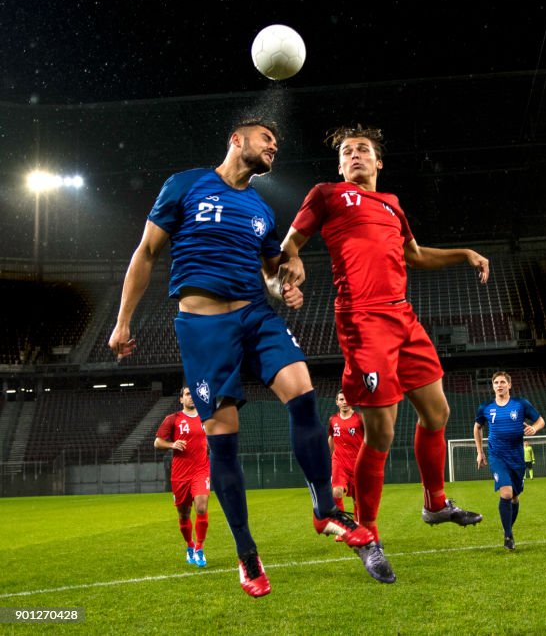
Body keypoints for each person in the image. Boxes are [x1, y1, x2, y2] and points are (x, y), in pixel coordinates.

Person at [108, 120, 373, 597]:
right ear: (236, 139)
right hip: (204, 328)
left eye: (277, 143)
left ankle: (324, 509)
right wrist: (123, 320)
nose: (274, 146)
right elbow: (147, 251)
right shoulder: (186, 184)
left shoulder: (261, 209)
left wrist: (286, 286)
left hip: (256, 315)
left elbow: (273, 275)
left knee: (304, 393)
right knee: (223, 440)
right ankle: (247, 555)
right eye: (266, 139)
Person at [279, 124, 489, 583]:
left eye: (364, 150)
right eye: (347, 151)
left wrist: (464, 253)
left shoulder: (392, 204)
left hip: (404, 318)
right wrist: (290, 265)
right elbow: (290, 244)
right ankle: (368, 534)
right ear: (339, 165)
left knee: (437, 412)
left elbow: (414, 255)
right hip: (362, 320)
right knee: (382, 431)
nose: (355, 155)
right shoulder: (327, 195)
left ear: (378, 163)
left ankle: (435, 502)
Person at [474, 371, 545, 550]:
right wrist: (479, 452)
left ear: (509, 385)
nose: (499, 385)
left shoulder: (521, 404)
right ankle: (508, 536)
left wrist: (534, 429)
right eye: (496, 382)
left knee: (514, 497)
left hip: (517, 457)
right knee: (505, 493)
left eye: (502, 382)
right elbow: (477, 428)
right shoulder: (486, 407)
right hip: (497, 456)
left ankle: (508, 529)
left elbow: (540, 421)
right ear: (493, 386)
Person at [154, 386, 211, 567]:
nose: (191, 397)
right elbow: (157, 442)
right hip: (180, 474)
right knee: (184, 514)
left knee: (201, 508)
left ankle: (200, 549)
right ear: (181, 399)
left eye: (193, 395)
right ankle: (190, 545)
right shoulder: (173, 419)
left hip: (201, 471)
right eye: (187, 394)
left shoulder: (205, 417)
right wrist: (172, 445)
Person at [328, 390, 363, 526]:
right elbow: (331, 438)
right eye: (341, 400)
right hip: (339, 461)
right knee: (336, 491)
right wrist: (333, 456)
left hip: (357, 463)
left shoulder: (360, 419)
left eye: (347, 399)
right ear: (337, 402)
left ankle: (358, 524)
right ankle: (342, 526)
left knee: (357, 499)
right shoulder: (333, 420)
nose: (345, 402)